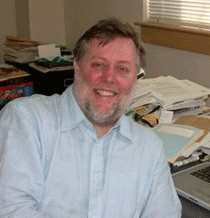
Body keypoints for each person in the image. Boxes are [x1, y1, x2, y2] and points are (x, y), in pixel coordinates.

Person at [0, 18, 182, 217]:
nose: (109, 78)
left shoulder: (149, 148)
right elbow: (12, 210)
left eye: (122, 68)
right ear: (77, 67)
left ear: (135, 78)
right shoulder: (26, 120)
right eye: (98, 64)